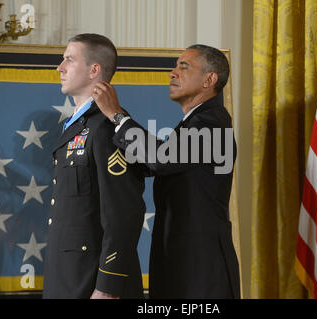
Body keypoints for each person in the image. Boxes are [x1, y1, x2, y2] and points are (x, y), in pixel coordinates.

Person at [92, 44, 240, 298]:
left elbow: (160, 159)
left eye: (184, 66)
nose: (172, 73)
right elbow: (152, 163)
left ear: (209, 79)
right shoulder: (193, 124)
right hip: (180, 262)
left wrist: (116, 115)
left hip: (201, 271)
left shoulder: (213, 123)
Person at [43, 33, 146, 299]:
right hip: (67, 275)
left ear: (94, 70)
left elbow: (123, 211)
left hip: (92, 282)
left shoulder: (106, 126)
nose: (60, 68)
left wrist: (108, 286)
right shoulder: (77, 126)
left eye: (69, 60)